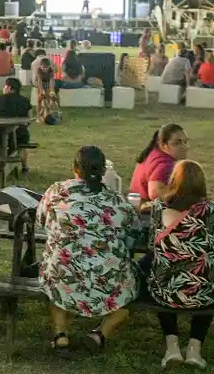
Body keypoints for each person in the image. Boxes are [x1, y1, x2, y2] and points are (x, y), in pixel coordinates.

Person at [36, 146, 139, 355]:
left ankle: (60, 336)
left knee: (56, 285)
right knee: (131, 296)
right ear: (103, 172)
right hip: (107, 278)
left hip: (63, 273)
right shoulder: (116, 200)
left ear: (74, 168)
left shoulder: (57, 191)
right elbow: (133, 233)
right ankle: (99, 334)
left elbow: (40, 220)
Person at [146, 160, 214, 370]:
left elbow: (150, 244)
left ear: (173, 180)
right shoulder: (210, 211)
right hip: (201, 293)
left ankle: (172, 347)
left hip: (164, 292)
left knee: (161, 280)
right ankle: (194, 349)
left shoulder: (158, 207)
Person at [128, 123, 188, 206]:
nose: (184, 147)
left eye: (185, 142)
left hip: (134, 204)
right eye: (177, 143)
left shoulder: (153, 152)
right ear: (163, 145)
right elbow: (155, 194)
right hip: (146, 212)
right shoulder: (166, 164)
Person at [0, 77, 32, 171]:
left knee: (1, 143)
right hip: (21, 134)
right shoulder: (25, 100)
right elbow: (29, 118)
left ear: (9, 87)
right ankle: (24, 166)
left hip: (2, 134)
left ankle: (0, 164)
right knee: (22, 146)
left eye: (4, 86)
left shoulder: (0, 99)